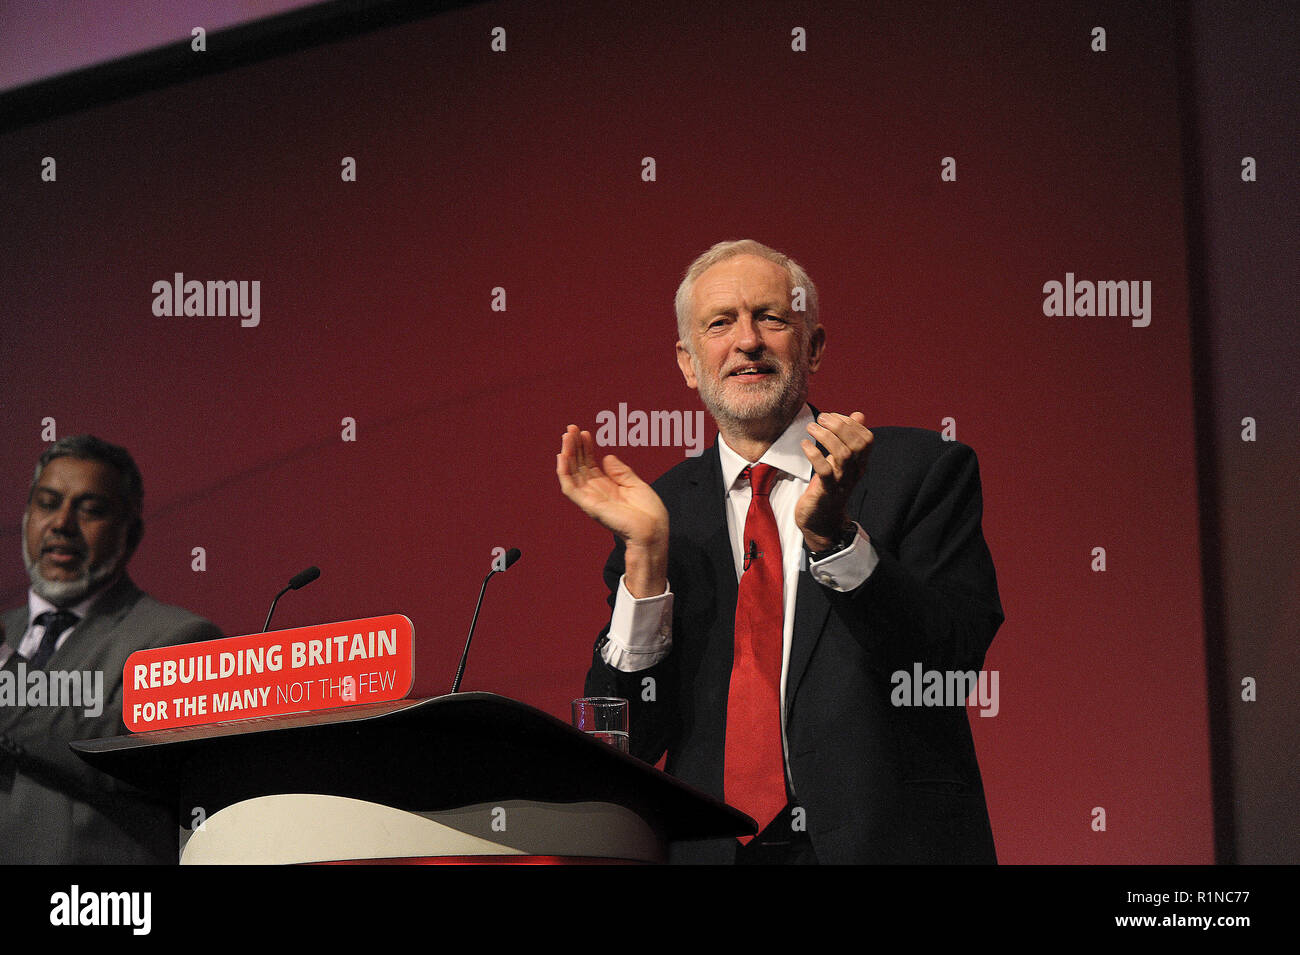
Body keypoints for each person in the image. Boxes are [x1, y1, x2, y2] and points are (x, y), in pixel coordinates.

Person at [557, 240, 1004, 863]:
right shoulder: (659, 517)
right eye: (720, 323)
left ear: (814, 346)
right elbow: (617, 749)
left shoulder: (917, 470)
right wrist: (645, 567)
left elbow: (947, 669)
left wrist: (836, 540)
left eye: (771, 317)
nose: (747, 341)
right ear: (688, 363)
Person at [0, 435, 221, 863]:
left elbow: (113, 750)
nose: (61, 523)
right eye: (47, 503)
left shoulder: (179, 638)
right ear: (26, 517)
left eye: (91, 510)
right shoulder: (6, 629)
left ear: (131, 533)